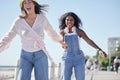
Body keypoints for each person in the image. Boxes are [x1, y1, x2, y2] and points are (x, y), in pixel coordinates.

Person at [0, 0, 67, 80]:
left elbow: (51, 32)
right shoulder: (18, 21)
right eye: (25, 3)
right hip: (25, 55)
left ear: (34, 4)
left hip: (40, 54)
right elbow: (8, 36)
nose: (27, 4)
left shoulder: (42, 18)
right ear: (23, 6)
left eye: (29, 2)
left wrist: (62, 43)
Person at [59, 12, 107, 80]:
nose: (69, 21)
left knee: (80, 78)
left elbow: (89, 41)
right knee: (65, 78)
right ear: (65, 21)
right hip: (67, 58)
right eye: (67, 19)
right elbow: (61, 42)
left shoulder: (79, 31)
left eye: (71, 20)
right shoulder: (62, 32)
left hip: (79, 58)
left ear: (74, 21)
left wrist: (99, 49)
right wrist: (63, 44)